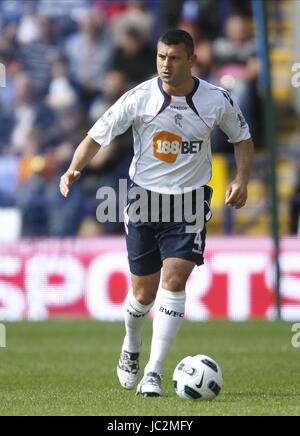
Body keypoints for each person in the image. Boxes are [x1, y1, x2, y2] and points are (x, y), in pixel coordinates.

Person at [60, 29, 254, 397]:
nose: (166, 64)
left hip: (190, 201)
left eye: (174, 58)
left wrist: (242, 179)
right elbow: (97, 135)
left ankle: (154, 370)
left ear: (191, 60)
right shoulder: (139, 98)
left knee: (176, 279)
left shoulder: (217, 100)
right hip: (144, 201)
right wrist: (74, 167)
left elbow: (241, 138)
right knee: (143, 294)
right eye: (161, 57)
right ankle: (131, 344)